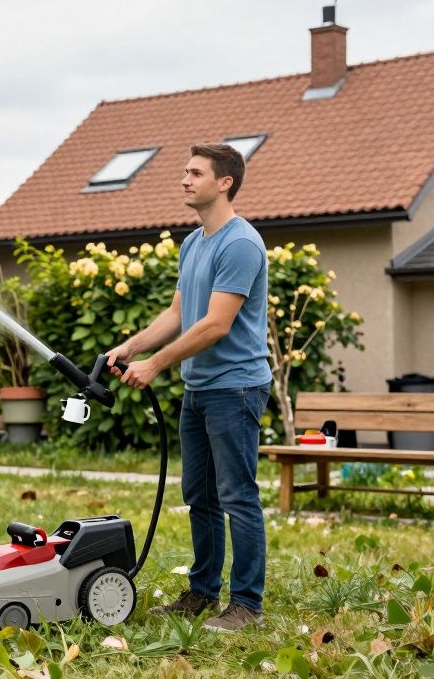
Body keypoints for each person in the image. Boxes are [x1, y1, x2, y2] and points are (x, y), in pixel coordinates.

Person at [105, 143, 272, 633]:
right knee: (199, 495)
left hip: (236, 388)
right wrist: (131, 347)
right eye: (184, 171)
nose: (184, 179)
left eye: (195, 172)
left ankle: (246, 605)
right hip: (200, 387)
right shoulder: (194, 242)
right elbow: (179, 315)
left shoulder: (240, 244)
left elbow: (216, 325)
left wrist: (155, 364)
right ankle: (202, 593)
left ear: (224, 183)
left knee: (237, 494)